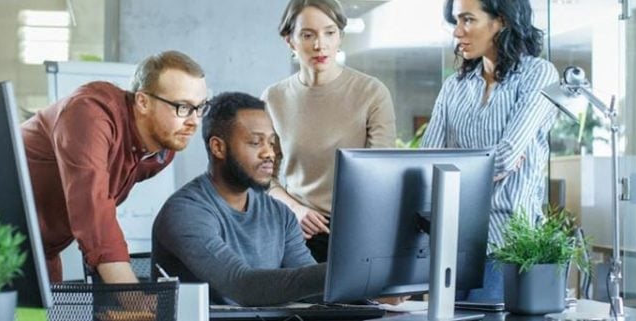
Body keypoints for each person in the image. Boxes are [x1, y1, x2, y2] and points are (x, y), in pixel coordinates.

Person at [22, 50, 208, 284]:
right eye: (182, 107)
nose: (194, 121)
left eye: (200, 107)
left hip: (41, 254)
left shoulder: (161, 152)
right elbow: (94, 209)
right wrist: (132, 298)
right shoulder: (90, 114)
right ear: (142, 102)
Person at [421, 0, 559, 302]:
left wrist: (453, 169)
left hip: (508, 243)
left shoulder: (539, 74)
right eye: (456, 22)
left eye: (468, 20)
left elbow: (507, 155)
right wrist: (486, 165)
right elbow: (426, 160)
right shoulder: (454, 86)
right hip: (454, 241)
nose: (457, 32)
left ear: (502, 21)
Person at [152, 92, 324, 306]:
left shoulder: (280, 214)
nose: (269, 153)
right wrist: (341, 272)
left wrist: (366, 279)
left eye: (271, 143)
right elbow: (241, 286)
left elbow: (313, 290)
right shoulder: (184, 212)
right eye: (255, 142)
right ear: (218, 147)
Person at [262, 0, 397, 262]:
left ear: (340, 37)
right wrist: (295, 210)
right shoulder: (273, 98)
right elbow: (264, 177)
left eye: (329, 33)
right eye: (307, 35)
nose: (319, 45)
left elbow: (384, 174)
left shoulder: (372, 93)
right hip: (297, 230)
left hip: (358, 230)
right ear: (289, 40)